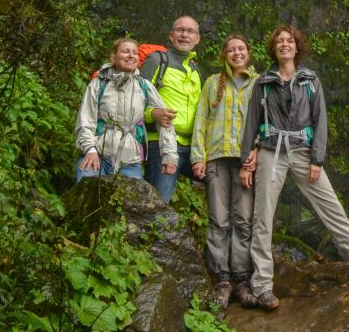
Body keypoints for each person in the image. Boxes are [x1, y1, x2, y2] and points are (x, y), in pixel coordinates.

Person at [239, 25, 349, 311]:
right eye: (279, 41)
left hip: (304, 152)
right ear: (274, 48)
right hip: (271, 153)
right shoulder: (263, 83)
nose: (284, 44)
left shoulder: (310, 80)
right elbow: (251, 124)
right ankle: (263, 286)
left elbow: (320, 121)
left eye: (288, 40)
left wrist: (317, 159)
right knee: (262, 219)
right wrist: (246, 160)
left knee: (332, 208)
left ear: (297, 46)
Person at [192, 35, 260, 310]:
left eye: (241, 48)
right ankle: (222, 280)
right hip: (217, 158)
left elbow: (265, 122)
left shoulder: (259, 84)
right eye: (231, 49)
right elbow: (201, 121)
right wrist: (199, 157)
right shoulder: (211, 83)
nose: (236, 53)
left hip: (246, 161)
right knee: (218, 220)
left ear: (248, 52)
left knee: (243, 220)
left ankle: (242, 280)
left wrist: (255, 152)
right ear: (224, 55)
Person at [76, 38, 179, 181]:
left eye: (135, 53)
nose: (131, 56)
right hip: (97, 154)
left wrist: (169, 156)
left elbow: (165, 121)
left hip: (130, 160)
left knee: (133, 203)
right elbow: (85, 120)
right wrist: (90, 150)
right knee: (89, 200)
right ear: (113, 57)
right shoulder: (98, 84)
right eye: (126, 52)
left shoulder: (144, 86)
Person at [141, 15, 203, 203]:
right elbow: (135, 99)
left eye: (190, 31)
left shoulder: (196, 70)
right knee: (159, 203)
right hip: (162, 144)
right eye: (180, 30)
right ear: (171, 35)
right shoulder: (157, 61)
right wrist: (152, 113)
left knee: (223, 182)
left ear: (197, 39)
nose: (185, 35)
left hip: (192, 148)